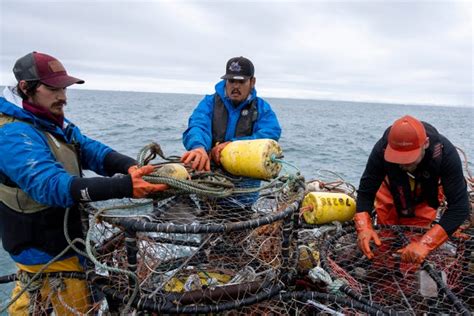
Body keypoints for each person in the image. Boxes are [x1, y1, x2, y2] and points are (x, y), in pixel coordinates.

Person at [0, 51, 167, 314]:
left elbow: (90, 150)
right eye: (54, 88)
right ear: (26, 87)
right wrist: (125, 186)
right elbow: (50, 185)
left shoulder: (51, 121)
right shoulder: (12, 133)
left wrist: (128, 167)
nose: (63, 97)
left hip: (61, 244)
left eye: (64, 88)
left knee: (30, 305)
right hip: (46, 252)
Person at [354, 115, 469, 265]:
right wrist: (364, 227)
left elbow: (459, 208)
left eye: (408, 159)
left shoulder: (445, 153)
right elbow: (365, 192)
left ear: (425, 144)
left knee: (411, 257)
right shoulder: (381, 148)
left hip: (423, 200)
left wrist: (425, 244)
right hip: (390, 195)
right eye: (397, 158)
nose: (402, 165)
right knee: (382, 248)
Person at [180, 56, 281, 206]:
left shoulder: (262, 108)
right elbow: (198, 124)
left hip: (245, 192)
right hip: (209, 182)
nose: (236, 86)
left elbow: (270, 133)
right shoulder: (209, 102)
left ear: (252, 82)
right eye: (231, 81)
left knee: (242, 220)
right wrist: (198, 147)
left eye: (241, 82)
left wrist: (231, 145)